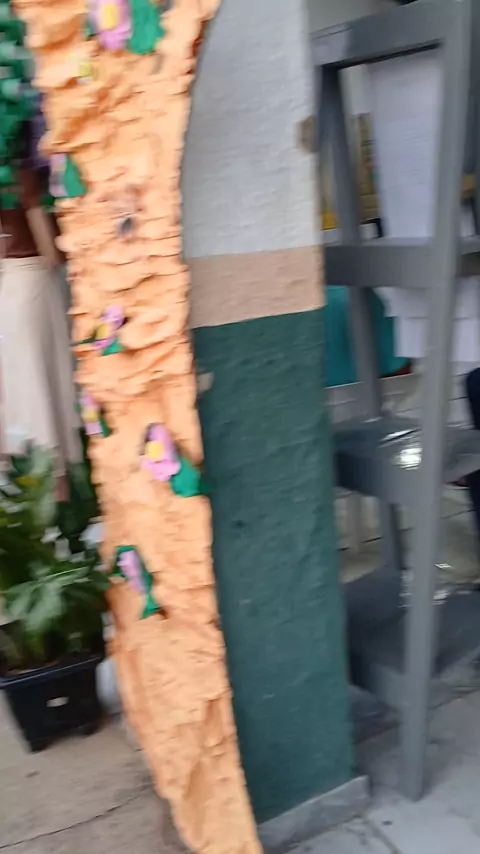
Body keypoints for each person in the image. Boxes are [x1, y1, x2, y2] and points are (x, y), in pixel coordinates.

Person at [0, 124, 82, 500]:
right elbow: (52, 255)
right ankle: (59, 493)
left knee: (22, 388)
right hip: (33, 287)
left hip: (8, 290)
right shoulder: (25, 179)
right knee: (41, 387)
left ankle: (33, 497)